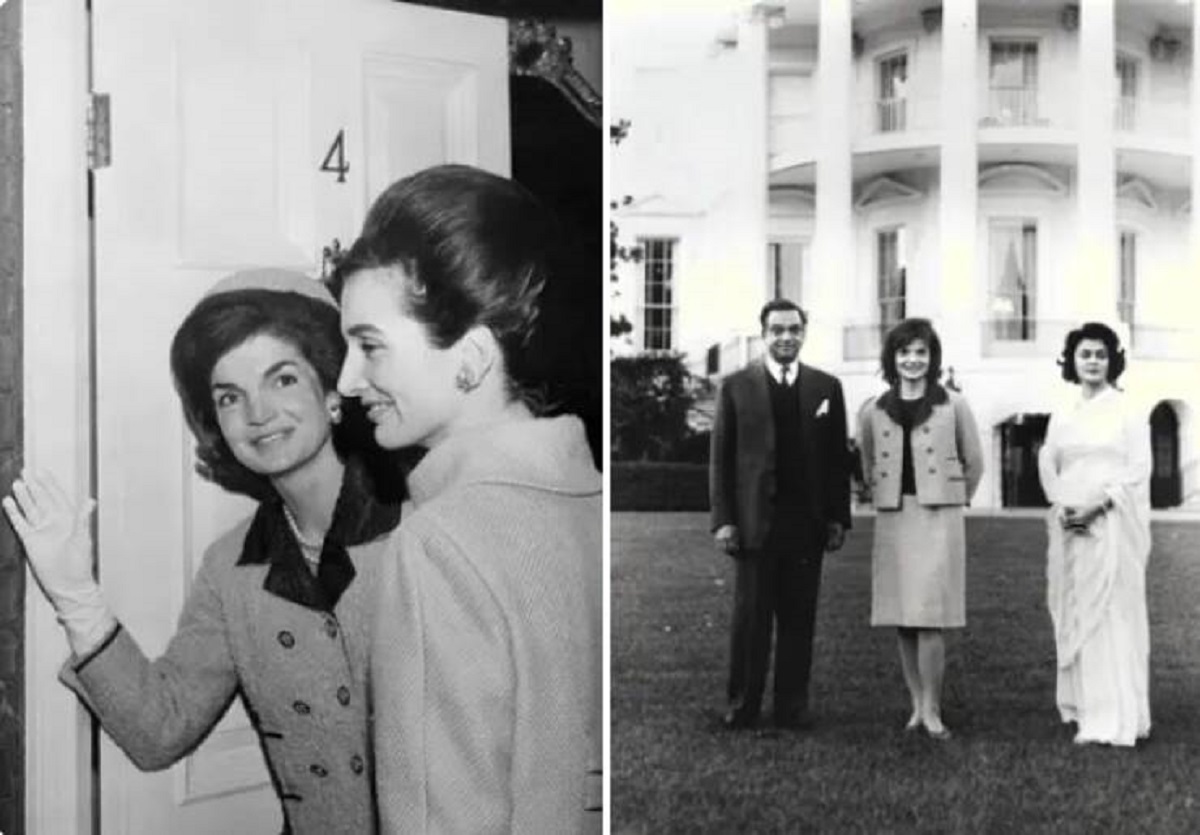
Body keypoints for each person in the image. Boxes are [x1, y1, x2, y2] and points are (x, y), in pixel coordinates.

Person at [3, 269, 405, 834]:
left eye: (283, 379)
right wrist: (75, 593)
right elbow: (159, 732)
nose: (258, 412)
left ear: (333, 389)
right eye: (229, 396)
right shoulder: (232, 567)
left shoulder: (423, 530)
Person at [331, 164, 602, 833]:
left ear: (473, 357)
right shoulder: (590, 496)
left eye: (370, 346)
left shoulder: (439, 546)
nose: (345, 379)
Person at [709, 299, 851, 731]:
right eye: (777, 330)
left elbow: (836, 461)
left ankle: (792, 707)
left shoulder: (826, 388)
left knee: (798, 620)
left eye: (793, 329)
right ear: (764, 334)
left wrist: (837, 518)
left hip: (805, 524)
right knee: (751, 621)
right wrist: (724, 520)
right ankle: (743, 705)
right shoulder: (736, 387)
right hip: (753, 524)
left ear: (803, 333)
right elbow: (722, 458)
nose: (786, 337)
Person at [857, 318, 983, 740]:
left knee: (929, 616)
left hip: (938, 518)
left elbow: (974, 460)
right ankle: (915, 704)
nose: (913, 360)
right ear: (892, 359)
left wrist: (953, 496)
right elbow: (868, 460)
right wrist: (882, 492)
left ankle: (933, 708)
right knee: (903, 618)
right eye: (904, 352)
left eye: (921, 352)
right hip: (894, 516)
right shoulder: (874, 410)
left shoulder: (954, 404)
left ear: (933, 358)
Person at [1037, 321, 1151, 747]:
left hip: (1111, 519)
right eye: (1085, 354)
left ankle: (1113, 715)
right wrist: (1066, 506)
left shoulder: (1127, 409)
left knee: (1110, 610)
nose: (1092, 362)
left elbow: (1139, 468)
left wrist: (1098, 505)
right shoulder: (1063, 411)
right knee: (1077, 605)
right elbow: (1050, 461)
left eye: (1101, 355)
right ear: (1072, 360)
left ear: (1112, 361)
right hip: (1072, 522)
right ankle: (1082, 703)